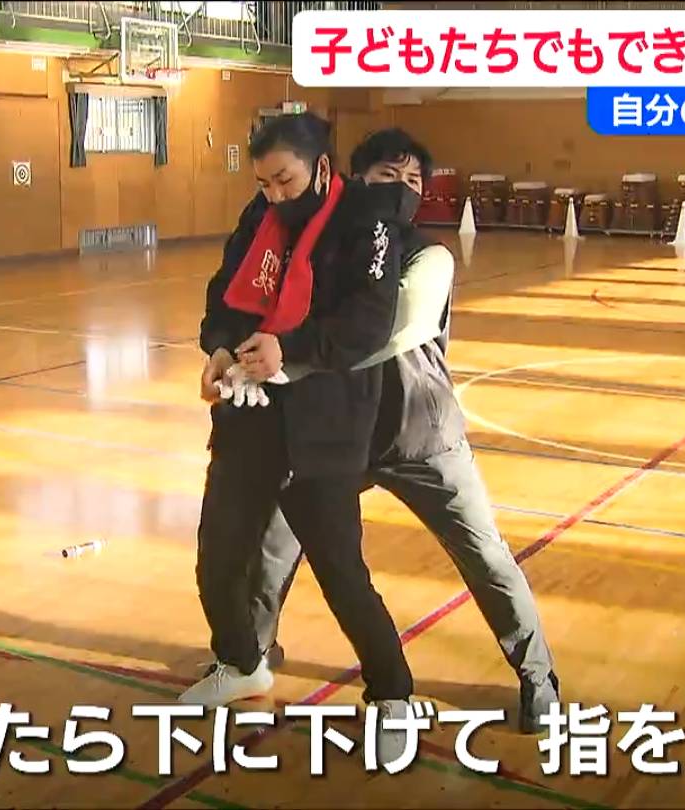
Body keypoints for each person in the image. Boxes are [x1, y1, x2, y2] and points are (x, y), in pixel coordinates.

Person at [223, 128, 562, 734]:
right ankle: (253, 653)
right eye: (388, 177)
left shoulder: (431, 257)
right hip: (332, 433)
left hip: (420, 434)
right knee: (274, 548)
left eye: (413, 182)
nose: (402, 190)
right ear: (355, 182)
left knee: (484, 555)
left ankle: (537, 675)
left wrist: (284, 359)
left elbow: (388, 331)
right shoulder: (322, 246)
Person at [185, 113, 417, 756]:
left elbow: (368, 324)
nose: (275, 196)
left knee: (341, 572)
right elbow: (223, 296)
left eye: (284, 181)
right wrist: (219, 348)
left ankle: (393, 694)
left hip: (326, 425)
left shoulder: (366, 220)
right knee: (218, 558)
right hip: (250, 414)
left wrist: (289, 351)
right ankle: (241, 661)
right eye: (263, 183)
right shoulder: (258, 217)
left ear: (320, 168)